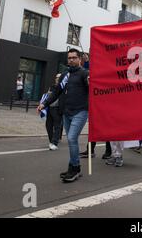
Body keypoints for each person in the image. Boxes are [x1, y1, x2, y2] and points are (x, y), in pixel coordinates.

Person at [38, 48, 89, 183]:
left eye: (74, 57)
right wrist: (45, 104)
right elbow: (56, 92)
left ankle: (75, 168)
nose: (71, 60)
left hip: (81, 111)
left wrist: (91, 79)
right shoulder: (65, 75)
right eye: (69, 58)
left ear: (79, 59)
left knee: (72, 138)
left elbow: (92, 89)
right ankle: (73, 166)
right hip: (66, 112)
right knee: (71, 139)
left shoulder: (85, 74)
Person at [45, 73, 63, 150]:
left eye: (59, 77)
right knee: (48, 125)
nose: (57, 79)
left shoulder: (63, 87)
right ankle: (51, 140)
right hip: (50, 107)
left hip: (57, 108)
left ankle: (54, 142)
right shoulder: (52, 86)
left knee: (57, 126)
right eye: (56, 77)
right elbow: (48, 95)